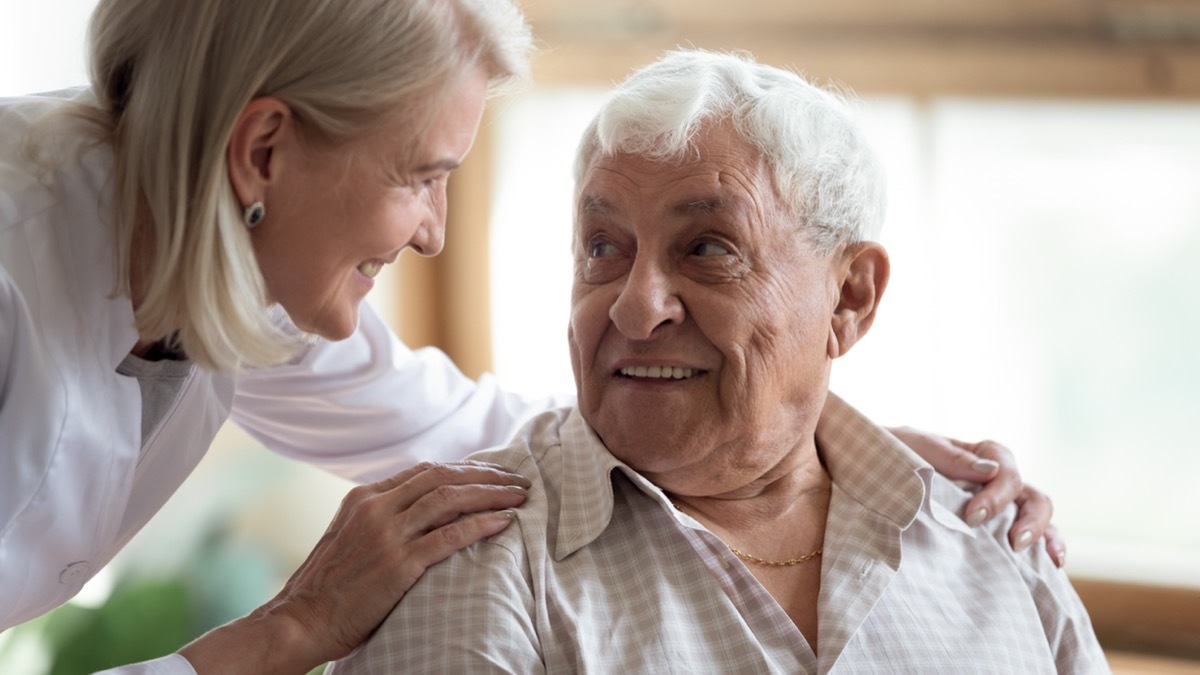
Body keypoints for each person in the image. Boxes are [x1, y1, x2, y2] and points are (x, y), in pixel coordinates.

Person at [0, 1, 1056, 673]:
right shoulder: (17, 269)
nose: (432, 234)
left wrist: (818, 438)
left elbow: (489, 425)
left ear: (855, 296)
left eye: (708, 252)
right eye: (421, 176)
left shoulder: (245, 279)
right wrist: (280, 635)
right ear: (265, 152)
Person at [329, 49, 1105, 674]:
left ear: (850, 300)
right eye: (604, 248)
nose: (635, 308)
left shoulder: (992, 534)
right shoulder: (473, 563)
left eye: (707, 249)